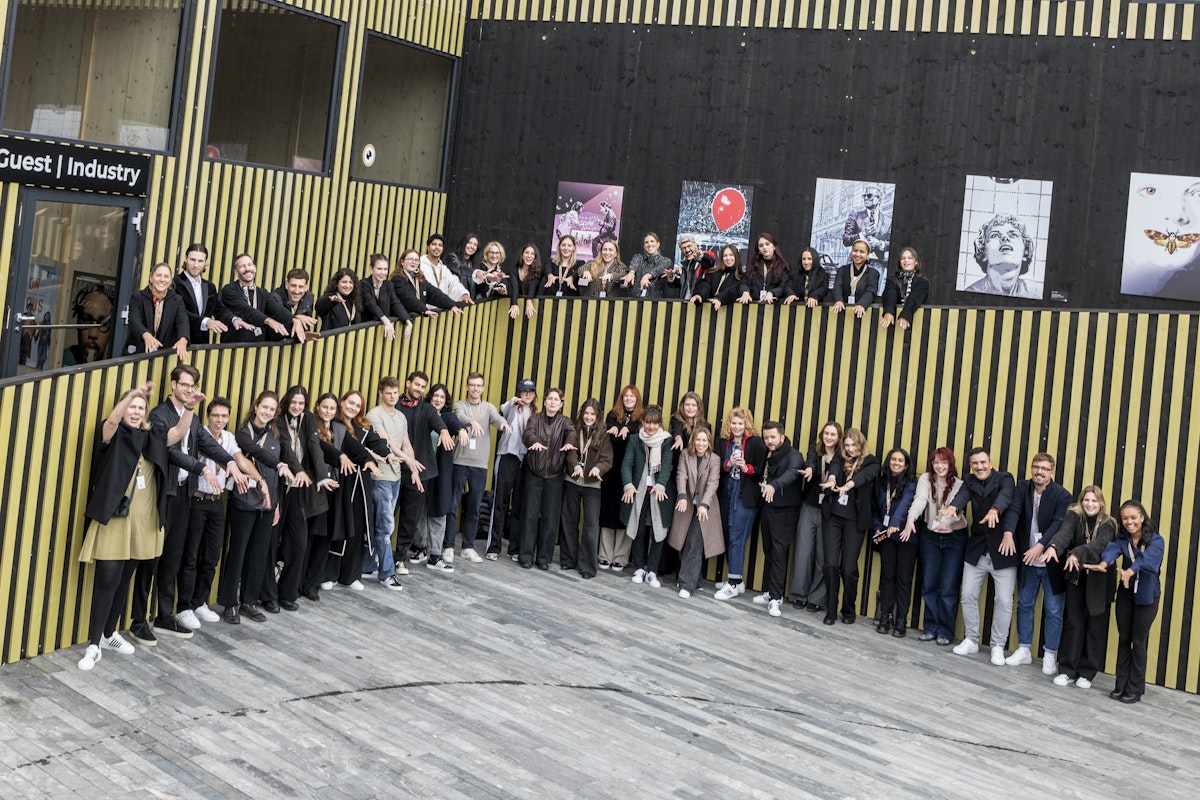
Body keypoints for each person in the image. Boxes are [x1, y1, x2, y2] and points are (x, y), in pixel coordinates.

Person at [76, 383, 191, 671]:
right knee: (107, 580)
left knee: (124, 579)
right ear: (124, 407)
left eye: (141, 408)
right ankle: (93, 645)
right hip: (115, 517)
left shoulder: (152, 437)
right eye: (132, 407)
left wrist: (189, 408)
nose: (136, 412)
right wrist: (130, 395)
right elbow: (112, 421)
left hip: (144, 520)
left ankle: (108, 634)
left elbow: (177, 433)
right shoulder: (112, 433)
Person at [133, 365, 247, 644]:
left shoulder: (194, 419)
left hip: (185, 495)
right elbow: (169, 451)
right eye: (185, 385)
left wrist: (230, 463)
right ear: (173, 385)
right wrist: (203, 469)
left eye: (193, 386)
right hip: (163, 496)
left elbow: (208, 443)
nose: (189, 390)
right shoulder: (159, 415)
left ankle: (163, 615)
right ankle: (138, 620)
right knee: (151, 558)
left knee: (173, 557)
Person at [219, 391, 297, 624]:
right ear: (255, 407)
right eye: (264, 407)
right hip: (245, 499)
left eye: (272, 410)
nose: (267, 412)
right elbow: (256, 453)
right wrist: (280, 464)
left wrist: (276, 505)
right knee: (239, 551)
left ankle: (249, 601)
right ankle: (229, 603)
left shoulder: (276, 433)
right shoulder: (243, 434)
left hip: (267, 502)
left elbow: (276, 476)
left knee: (259, 554)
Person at [1041, 486, 1118, 689]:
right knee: (1074, 623)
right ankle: (1067, 671)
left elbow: (1099, 546)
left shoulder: (1109, 524)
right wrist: (1054, 547)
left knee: (1095, 627)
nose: (1089, 504)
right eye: (1086, 500)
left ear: (1101, 503)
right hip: (1076, 577)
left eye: (1094, 501)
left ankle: (1087, 672)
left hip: (1099, 581)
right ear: (1081, 501)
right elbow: (1064, 534)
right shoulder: (1074, 517)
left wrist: (1076, 553)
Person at [1002, 453, 1071, 673]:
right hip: (1027, 561)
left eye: (1044, 468)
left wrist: (1040, 545)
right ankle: (1023, 650)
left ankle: (1050, 654)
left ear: (1052, 472)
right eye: (1035, 467)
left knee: (1053, 610)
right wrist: (1007, 533)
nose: (1039, 472)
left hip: (1051, 563)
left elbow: (1059, 524)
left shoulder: (1062, 495)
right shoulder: (1023, 487)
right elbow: (1013, 511)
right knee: (1025, 605)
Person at [1093, 500, 1166, 703]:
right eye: (1125, 518)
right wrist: (1103, 563)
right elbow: (1111, 550)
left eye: (1133, 517)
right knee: (1124, 639)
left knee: (1138, 642)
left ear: (1142, 517)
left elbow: (1149, 561)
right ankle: (1120, 685)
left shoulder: (1156, 541)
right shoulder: (1122, 538)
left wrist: (1130, 571)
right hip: (1126, 594)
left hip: (1147, 596)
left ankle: (1135, 688)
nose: (1129, 522)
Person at [950, 447, 1017, 664]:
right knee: (968, 595)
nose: (979, 467)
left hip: (1003, 549)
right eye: (975, 463)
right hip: (977, 548)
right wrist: (953, 507)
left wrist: (994, 510)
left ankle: (998, 645)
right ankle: (971, 640)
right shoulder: (969, 481)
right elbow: (962, 496)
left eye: (983, 462)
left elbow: (1006, 497)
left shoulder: (1005, 478)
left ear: (990, 462)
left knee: (1004, 601)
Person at [268, 386, 330, 611]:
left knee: (299, 544)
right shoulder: (278, 420)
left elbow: (315, 447)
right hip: (278, 487)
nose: (297, 406)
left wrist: (321, 477)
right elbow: (286, 448)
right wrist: (298, 471)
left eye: (301, 403)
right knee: (272, 542)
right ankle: (268, 595)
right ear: (287, 402)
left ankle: (288, 592)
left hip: (298, 491)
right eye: (294, 402)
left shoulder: (309, 419)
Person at [320, 390, 389, 592]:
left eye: (357, 405)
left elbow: (376, 442)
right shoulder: (334, 424)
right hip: (341, 481)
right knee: (338, 526)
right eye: (350, 403)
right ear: (342, 402)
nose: (353, 408)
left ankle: (351, 575)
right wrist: (369, 458)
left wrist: (386, 454)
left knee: (357, 528)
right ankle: (330, 574)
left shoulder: (364, 426)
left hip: (361, 483)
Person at [901, 447, 968, 646]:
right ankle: (930, 627)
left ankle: (945, 632)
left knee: (948, 586)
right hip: (930, 537)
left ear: (951, 463)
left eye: (944, 462)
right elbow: (920, 499)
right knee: (929, 583)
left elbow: (953, 508)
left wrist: (943, 523)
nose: (940, 466)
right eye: (936, 462)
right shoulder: (925, 479)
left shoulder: (959, 484)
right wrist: (911, 518)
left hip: (954, 537)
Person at [364, 376, 422, 591]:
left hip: (396, 476)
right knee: (385, 526)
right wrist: (409, 460)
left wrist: (413, 468)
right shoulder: (374, 415)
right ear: (381, 393)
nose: (392, 396)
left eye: (395, 393)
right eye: (388, 393)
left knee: (382, 524)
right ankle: (387, 573)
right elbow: (385, 441)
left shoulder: (401, 416)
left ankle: (368, 564)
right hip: (380, 476)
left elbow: (406, 444)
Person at [818, 427, 881, 625]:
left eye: (854, 445)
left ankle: (848, 608)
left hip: (855, 521)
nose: (851, 448)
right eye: (847, 445)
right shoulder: (840, 458)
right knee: (829, 564)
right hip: (833, 517)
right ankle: (831, 607)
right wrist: (833, 479)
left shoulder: (871, 461)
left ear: (861, 444)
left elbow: (865, 477)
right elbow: (835, 468)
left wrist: (848, 485)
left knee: (848, 568)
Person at [396, 371, 454, 571]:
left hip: (419, 472)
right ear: (408, 383)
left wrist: (445, 431)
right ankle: (377, 557)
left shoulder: (427, 409)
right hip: (393, 468)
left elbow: (439, 423)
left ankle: (400, 559)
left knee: (409, 519)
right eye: (417, 385)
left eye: (422, 387)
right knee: (386, 516)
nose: (419, 389)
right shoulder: (395, 405)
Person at [450, 373, 510, 562]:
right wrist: (471, 422)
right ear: (467, 387)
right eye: (472, 385)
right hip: (459, 461)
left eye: (479, 386)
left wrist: (503, 424)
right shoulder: (460, 405)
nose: (475, 389)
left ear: (483, 388)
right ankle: (448, 546)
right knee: (452, 506)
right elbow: (459, 416)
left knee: (474, 508)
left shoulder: (488, 407)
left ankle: (468, 546)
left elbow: (496, 418)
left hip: (479, 465)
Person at [520, 388, 577, 569]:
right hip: (534, 473)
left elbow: (572, 433)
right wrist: (533, 441)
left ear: (561, 404)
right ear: (544, 402)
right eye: (550, 399)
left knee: (550, 518)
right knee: (529, 516)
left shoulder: (565, 421)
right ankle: (526, 556)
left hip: (555, 476)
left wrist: (570, 442)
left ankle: (544, 559)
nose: (552, 402)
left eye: (556, 400)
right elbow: (527, 433)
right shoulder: (535, 418)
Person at [753, 421, 804, 618]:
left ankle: (776, 598)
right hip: (768, 509)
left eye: (773, 437)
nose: (769, 441)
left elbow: (792, 474)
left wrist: (774, 485)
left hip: (785, 512)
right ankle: (769, 592)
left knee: (779, 552)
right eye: (766, 437)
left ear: (782, 437)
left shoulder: (794, 455)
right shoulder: (769, 454)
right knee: (769, 550)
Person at [714, 408, 765, 601]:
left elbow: (762, 470)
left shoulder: (756, 442)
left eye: (740, 424)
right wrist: (728, 464)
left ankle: (733, 584)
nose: (736, 427)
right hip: (726, 492)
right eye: (734, 423)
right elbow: (716, 464)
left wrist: (746, 467)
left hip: (745, 496)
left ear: (747, 424)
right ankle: (737, 579)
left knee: (737, 536)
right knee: (727, 535)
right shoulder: (722, 442)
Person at [621, 405, 674, 589]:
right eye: (648, 423)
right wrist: (628, 484)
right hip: (639, 492)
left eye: (655, 423)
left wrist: (660, 485)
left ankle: (652, 571)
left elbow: (667, 465)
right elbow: (627, 463)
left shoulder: (667, 441)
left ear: (660, 424)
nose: (651, 427)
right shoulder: (636, 439)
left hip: (659, 493)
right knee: (639, 529)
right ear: (642, 422)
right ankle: (638, 568)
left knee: (658, 531)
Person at [790, 421, 841, 612]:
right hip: (809, 507)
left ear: (838, 438)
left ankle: (817, 598)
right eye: (826, 433)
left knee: (822, 555)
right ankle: (798, 594)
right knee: (803, 551)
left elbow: (836, 468)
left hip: (829, 512)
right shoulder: (815, 450)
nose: (829, 437)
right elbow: (810, 461)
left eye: (833, 434)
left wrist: (833, 478)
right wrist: (810, 469)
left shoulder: (841, 457)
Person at [668, 426, 724, 598]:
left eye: (704, 440)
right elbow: (681, 475)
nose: (700, 443)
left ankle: (686, 584)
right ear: (693, 440)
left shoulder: (714, 459)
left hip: (705, 508)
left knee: (694, 543)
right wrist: (682, 495)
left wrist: (704, 505)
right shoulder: (686, 454)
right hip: (686, 504)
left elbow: (713, 483)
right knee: (681, 542)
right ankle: (696, 579)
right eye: (698, 440)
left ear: (709, 442)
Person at [561, 399, 612, 578]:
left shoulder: (604, 435)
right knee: (569, 520)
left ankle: (588, 567)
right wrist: (575, 466)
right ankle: (568, 560)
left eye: (592, 414)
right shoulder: (574, 430)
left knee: (590, 525)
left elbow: (607, 459)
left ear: (597, 417)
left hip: (593, 484)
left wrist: (598, 469)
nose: (589, 417)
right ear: (582, 414)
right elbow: (570, 452)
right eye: (586, 413)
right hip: (572, 480)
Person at [486, 379, 536, 559]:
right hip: (507, 456)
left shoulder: (536, 413)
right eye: (525, 391)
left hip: (526, 461)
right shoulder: (512, 407)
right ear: (519, 392)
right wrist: (513, 401)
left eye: (531, 391)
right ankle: (493, 546)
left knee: (519, 506)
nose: (528, 394)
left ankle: (514, 548)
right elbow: (502, 408)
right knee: (500, 502)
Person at [871, 449, 917, 636]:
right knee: (887, 576)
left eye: (900, 460)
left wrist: (895, 524)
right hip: (886, 535)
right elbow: (874, 508)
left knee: (904, 579)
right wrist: (877, 526)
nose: (896, 463)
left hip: (906, 536)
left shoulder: (912, 483)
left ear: (906, 465)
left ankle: (901, 620)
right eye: (893, 459)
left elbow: (906, 504)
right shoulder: (881, 483)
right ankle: (885, 616)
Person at [599, 385, 643, 571]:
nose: (629, 399)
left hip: (630, 472)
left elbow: (642, 434)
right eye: (626, 396)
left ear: (637, 399)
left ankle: (621, 556)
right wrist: (617, 428)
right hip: (610, 470)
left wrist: (628, 431)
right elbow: (607, 429)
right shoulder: (612, 414)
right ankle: (604, 554)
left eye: (632, 396)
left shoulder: (641, 418)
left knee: (625, 512)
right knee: (607, 511)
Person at [424, 383, 466, 571]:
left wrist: (462, 430)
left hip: (441, 472)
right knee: (418, 510)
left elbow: (457, 424)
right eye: (435, 396)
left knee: (439, 510)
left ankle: (434, 553)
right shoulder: (423, 414)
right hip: (422, 470)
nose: (438, 399)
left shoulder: (447, 417)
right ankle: (419, 547)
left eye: (442, 397)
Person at [219, 253, 296, 343]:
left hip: (258, 348)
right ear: (236, 272)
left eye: (249, 265)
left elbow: (278, 310)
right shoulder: (229, 290)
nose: (247, 269)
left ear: (255, 268)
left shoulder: (263, 293)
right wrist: (269, 321)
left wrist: (294, 320)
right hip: (233, 348)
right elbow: (246, 310)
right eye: (242, 266)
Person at [965, 214, 1040, 299]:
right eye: (995, 235)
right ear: (983, 251)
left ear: (1025, 251)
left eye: (1013, 235)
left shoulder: (1036, 294)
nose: (1005, 238)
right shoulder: (970, 295)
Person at [125, 262, 189, 361]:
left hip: (164, 356)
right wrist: (146, 334)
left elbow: (182, 321)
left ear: (171, 280)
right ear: (151, 278)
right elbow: (134, 320)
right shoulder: (137, 297)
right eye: (158, 275)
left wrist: (183, 339)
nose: (162, 280)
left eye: (166, 276)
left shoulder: (177, 300)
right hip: (138, 353)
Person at [173, 243, 230, 345]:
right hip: (178, 342)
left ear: (205, 262)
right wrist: (205, 321)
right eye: (192, 260)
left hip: (202, 345)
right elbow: (178, 312)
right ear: (186, 259)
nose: (196, 265)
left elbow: (219, 309)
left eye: (200, 261)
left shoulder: (209, 286)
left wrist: (235, 319)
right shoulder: (174, 284)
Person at [392, 248, 466, 317]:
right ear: (402, 262)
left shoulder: (420, 279)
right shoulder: (397, 280)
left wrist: (452, 305)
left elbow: (436, 294)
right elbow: (408, 298)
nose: (413, 262)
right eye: (410, 259)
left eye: (416, 260)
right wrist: (424, 310)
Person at [360, 253, 411, 342]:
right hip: (365, 331)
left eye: (385, 269)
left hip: (382, 332)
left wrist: (408, 322)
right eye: (379, 269)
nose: (383, 273)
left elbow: (395, 303)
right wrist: (386, 320)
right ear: (371, 269)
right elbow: (370, 304)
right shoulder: (364, 284)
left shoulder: (389, 285)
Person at [63, 283, 114, 365]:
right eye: (86, 320)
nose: (93, 334)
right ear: (78, 323)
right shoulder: (62, 361)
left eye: (103, 324)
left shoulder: (115, 369)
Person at [880, 247, 930, 330]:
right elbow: (890, 294)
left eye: (910, 258)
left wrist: (905, 315)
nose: (906, 260)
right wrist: (888, 312)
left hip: (917, 323)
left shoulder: (923, 282)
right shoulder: (892, 279)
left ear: (916, 262)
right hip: (893, 324)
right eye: (903, 258)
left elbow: (915, 297)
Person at [842, 183, 890, 266]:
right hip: (857, 263)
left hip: (878, 264)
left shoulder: (888, 220)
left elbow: (892, 244)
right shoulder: (854, 216)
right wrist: (863, 234)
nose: (865, 198)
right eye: (864, 196)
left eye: (869, 195)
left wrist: (879, 244)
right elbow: (846, 240)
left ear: (879, 199)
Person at [738, 233, 791, 305]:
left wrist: (772, 293)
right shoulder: (752, 265)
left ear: (774, 246)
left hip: (773, 306)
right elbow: (744, 283)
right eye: (761, 245)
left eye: (767, 244)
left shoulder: (783, 266)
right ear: (758, 250)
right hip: (753, 305)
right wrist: (745, 292)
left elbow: (783, 286)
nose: (765, 247)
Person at [420, 233, 474, 305]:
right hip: (423, 311)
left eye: (440, 245)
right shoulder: (420, 265)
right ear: (428, 247)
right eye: (434, 244)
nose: (437, 247)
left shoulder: (444, 269)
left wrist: (464, 294)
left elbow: (454, 284)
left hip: (441, 310)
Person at [832, 239, 877, 319]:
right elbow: (837, 287)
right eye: (855, 250)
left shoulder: (873, 273)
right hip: (842, 313)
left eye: (862, 252)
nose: (857, 254)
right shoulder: (842, 270)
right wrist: (838, 300)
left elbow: (870, 292)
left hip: (863, 314)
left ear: (867, 254)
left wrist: (862, 304)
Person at [271, 268, 318, 341]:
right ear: (287, 285)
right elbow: (276, 331)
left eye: (301, 287)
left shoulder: (309, 298)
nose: (296, 291)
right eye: (293, 286)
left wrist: (305, 334)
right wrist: (296, 318)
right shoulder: (275, 298)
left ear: (306, 287)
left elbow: (305, 328)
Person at [624, 232, 674, 299]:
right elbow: (634, 265)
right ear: (644, 246)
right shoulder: (638, 258)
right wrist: (631, 272)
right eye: (646, 242)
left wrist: (647, 276)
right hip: (634, 301)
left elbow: (659, 269)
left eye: (652, 241)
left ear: (658, 244)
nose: (649, 244)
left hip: (655, 302)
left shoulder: (666, 261)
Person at [673, 235, 714, 301]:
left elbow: (710, 262)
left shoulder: (705, 256)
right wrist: (671, 277)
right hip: (685, 302)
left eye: (689, 246)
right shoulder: (684, 265)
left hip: (700, 302)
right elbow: (683, 285)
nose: (687, 250)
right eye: (683, 248)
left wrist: (700, 257)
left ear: (695, 245)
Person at [507, 243, 542, 319]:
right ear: (522, 255)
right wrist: (514, 303)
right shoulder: (514, 270)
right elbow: (515, 286)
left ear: (535, 257)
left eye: (532, 254)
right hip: (515, 309)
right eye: (527, 253)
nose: (529, 256)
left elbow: (532, 286)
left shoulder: (537, 272)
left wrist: (529, 300)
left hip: (532, 309)